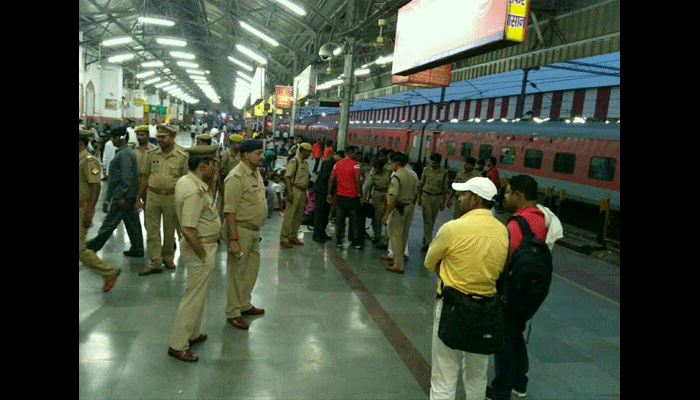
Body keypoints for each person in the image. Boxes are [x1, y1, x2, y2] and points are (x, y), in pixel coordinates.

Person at [424, 177, 509, 400]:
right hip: (486, 311)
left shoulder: (452, 228)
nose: (460, 198)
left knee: (444, 376)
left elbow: (429, 262)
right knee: (477, 377)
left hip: (452, 309)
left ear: (475, 198)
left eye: (463, 194)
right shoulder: (502, 231)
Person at [487, 174, 548, 400]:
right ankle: (520, 383)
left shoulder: (517, 222)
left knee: (503, 339)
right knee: (516, 335)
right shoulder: (541, 218)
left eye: (509, 192)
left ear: (519, 195)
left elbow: (506, 258)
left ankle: (501, 389)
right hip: (533, 289)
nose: (505, 196)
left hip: (514, 290)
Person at [167, 145, 221, 362]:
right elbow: (188, 229)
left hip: (202, 245)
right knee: (193, 297)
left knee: (198, 295)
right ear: (202, 166)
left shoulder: (188, 181)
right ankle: (178, 344)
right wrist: (203, 255)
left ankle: (193, 333)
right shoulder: (194, 190)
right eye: (213, 164)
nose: (215, 168)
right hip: (201, 247)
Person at [223, 139, 268, 330]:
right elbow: (229, 211)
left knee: (251, 270)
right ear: (246, 155)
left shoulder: (255, 173)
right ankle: (233, 312)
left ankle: (244, 304)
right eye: (258, 153)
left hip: (253, 231)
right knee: (237, 273)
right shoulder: (236, 177)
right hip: (240, 230)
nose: (261, 156)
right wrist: (233, 240)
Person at [136, 124, 189, 275]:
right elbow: (145, 176)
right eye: (158, 137)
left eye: (163, 137)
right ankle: (155, 262)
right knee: (152, 230)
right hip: (152, 196)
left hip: (172, 197)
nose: (159, 140)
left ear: (172, 138)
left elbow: (186, 179)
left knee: (169, 229)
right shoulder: (151, 153)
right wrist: (139, 197)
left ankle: (167, 257)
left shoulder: (182, 155)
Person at [86, 127, 143, 257]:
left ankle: (90, 248)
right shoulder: (124, 152)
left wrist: (120, 196)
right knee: (132, 224)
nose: (112, 140)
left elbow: (126, 177)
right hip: (128, 195)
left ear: (121, 138)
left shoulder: (125, 154)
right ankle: (137, 248)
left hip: (123, 196)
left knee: (109, 223)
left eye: (114, 137)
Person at [79, 129, 121, 292]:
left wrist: (90, 212)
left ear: (81, 143)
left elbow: (96, 187)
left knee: (80, 249)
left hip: (81, 209)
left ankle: (109, 271)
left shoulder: (89, 161)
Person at [382, 152, 417, 273]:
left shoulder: (396, 177)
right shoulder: (411, 176)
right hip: (410, 207)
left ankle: (398, 265)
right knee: (403, 235)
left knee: (395, 236)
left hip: (399, 209)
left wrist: (387, 214)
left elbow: (394, 197)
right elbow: (416, 194)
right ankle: (398, 260)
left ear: (396, 163)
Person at [327, 146, 364, 250]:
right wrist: (360, 194)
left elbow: (331, 180)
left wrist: (329, 193)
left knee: (339, 221)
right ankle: (357, 243)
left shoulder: (337, 164)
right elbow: (357, 180)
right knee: (355, 221)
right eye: (355, 153)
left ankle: (338, 242)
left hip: (340, 197)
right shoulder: (356, 165)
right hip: (353, 197)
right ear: (351, 153)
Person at [279, 142, 312, 248]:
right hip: (294, 190)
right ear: (303, 151)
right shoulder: (294, 161)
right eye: (308, 152)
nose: (310, 154)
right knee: (290, 215)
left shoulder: (304, 163)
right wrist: (289, 192)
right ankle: (284, 238)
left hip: (302, 192)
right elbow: (287, 177)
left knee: (298, 216)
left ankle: (292, 236)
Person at [417, 153, 449, 251]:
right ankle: (428, 242)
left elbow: (445, 189)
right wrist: (419, 197)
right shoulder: (426, 170)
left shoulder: (443, 173)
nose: (432, 164)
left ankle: (426, 238)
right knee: (427, 219)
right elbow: (421, 184)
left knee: (432, 219)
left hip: (437, 198)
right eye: (431, 161)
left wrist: (443, 202)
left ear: (438, 162)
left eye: (434, 162)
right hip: (426, 196)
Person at [363, 151, 391, 247]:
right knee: (376, 216)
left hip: (387, 194)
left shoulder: (388, 171)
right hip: (377, 194)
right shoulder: (374, 171)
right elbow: (367, 186)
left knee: (387, 216)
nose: (376, 170)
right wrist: (364, 197)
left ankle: (387, 238)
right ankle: (377, 235)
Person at [312, 150, 340, 243]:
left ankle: (322, 232)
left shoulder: (334, 163)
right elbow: (327, 178)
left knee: (325, 213)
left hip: (328, 192)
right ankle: (317, 234)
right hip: (322, 191)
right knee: (320, 213)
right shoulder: (328, 163)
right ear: (335, 155)